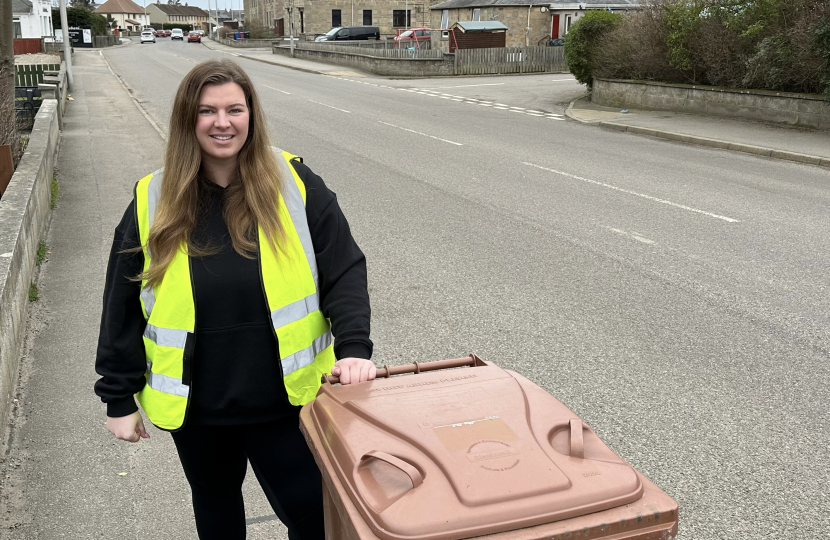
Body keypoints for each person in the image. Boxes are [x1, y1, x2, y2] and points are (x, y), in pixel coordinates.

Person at [94, 59, 376, 540]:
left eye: (234, 109)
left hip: (287, 403)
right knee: (217, 514)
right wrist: (117, 397)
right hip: (198, 409)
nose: (222, 123)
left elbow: (343, 269)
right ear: (189, 120)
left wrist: (354, 349)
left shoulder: (295, 184)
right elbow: (121, 303)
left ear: (252, 115)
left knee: (312, 516)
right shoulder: (152, 198)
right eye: (207, 111)